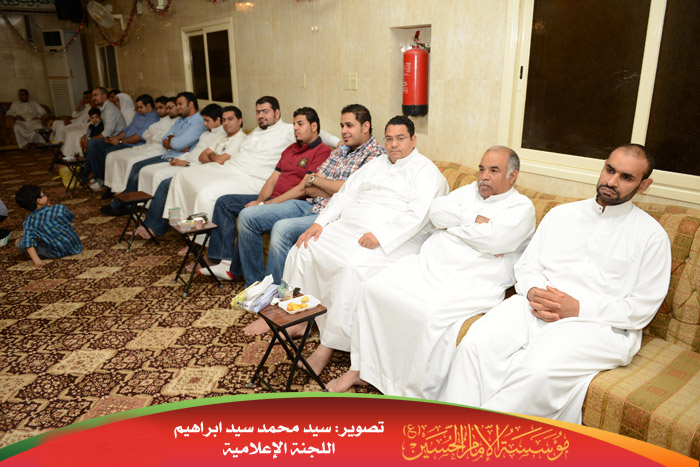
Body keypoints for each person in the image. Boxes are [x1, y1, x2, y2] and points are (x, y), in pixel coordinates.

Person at [440, 144, 672, 424]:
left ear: (644, 185)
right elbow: (527, 266)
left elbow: (640, 309)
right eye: (609, 170)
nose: (611, 181)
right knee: (475, 345)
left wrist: (577, 308)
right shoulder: (562, 215)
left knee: (536, 371)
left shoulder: (651, 237)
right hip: (534, 306)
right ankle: (450, 428)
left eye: (626, 177)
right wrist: (534, 291)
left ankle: (479, 437)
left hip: (598, 325)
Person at [328, 146, 536, 396]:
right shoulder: (469, 191)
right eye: (481, 169)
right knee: (374, 288)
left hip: (470, 280)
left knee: (427, 315)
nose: (484, 176)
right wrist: (473, 221)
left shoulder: (521, 207)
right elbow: (437, 213)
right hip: (427, 265)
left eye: (493, 171)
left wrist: (454, 226)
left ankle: (409, 390)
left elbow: (495, 239)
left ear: (512, 176)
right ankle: (362, 368)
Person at [282, 115, 449, 375]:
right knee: (304, 247)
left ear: (413, 140)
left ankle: (328, 345)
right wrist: (320, 223)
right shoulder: (376, 163)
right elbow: (345, 194)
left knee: (352, 267)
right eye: (389, 139)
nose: (394, 144)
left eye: (400, 138)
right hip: (349, 228)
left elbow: (417, 216)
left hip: (395, 239)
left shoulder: (426, 171)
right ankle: (300, 318)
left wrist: (380, 235)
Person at [240, 104, 385, 337]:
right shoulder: (339, 151)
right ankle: (258, 290)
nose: (344, 131)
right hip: (308, 203)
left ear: (366, 126)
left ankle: (273, 304)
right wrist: (324, 186)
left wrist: (321, 184)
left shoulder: (376, 155)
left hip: (331, 215)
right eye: (342, 125)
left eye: (349, 125)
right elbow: (309, 185)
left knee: (282, 229)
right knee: (248, 216)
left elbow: (349, 191)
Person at [199, 107, 332, 281]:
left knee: (249, 215)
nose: (295, 128)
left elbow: (303, 188)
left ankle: (253, 281)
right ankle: (227, 262)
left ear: (314, 126)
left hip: (291, 202)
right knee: (224, 202)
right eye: (294, 124)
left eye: (300, 124)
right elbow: (273, 178)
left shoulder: (322, 151)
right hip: (272, 199)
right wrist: (260, 201)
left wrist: (263, 205)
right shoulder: (290, 148)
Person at [163, 96, 340, 220]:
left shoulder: (288, 130)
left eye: (265, 111)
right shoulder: (256, 131)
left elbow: (318, 133)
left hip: (251, 177)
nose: (260, 116)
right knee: (182, 176)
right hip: (230, 168)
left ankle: (200, 239)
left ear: (277, 113)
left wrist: (339, 142)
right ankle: (182, 225)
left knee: (206, 193)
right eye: (258, 112)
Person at [133, 104, 242, 239]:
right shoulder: (222, 137)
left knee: (168, 183)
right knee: (167, 183)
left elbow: (218, 160)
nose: (226, 123)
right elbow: (202, 156)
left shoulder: (240, 139)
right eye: (224, 120)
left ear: (240, 121)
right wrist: (213, 157)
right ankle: (154, 225)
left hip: (212, 174)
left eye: (230, 119)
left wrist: (211, 156)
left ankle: (158, 227)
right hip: (204, 169)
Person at [100, 92, 206, 216]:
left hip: (177, 157)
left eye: (180, 104)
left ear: (191, 104)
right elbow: (165, 138)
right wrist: (172, 141)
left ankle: (121, 204)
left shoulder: (198, 121)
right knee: (136, 166)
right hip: (168, 154)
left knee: (142, 170)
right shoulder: (181, 119)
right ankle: (127, 203)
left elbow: (178, 144)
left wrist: (172, 141)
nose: (178, 108)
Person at [102, 96, 178, 196]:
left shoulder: (176, 121)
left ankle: (125, 192)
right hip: (148, 146)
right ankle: (113, 187)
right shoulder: (164, 120)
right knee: (112, 155)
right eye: (165, 108)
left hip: (159, 150)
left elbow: (163, 138)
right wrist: (157, 135)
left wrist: (155, 135)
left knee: (131, 162)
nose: (160, 111)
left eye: (163, 108)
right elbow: (146, 134)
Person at [85, 94, 159, 190]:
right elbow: (127, 129)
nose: (138, 110)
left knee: (109, 151)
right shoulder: (138, 115)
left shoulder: (153, 118)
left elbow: (139, 137)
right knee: (93, 144)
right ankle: (99, 177)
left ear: (148, 105)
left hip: (133, 145)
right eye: (138, 107)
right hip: (124, 141)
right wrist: (115, 138)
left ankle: (106, 181)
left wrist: (120, 141)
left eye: (140, 107)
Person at [14, 184, 82, 267]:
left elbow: (28, 242)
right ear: (39, 201)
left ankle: (35, 255)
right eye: (43, 194)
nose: (46, 196)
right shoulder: (59, 208)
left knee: (18, 242)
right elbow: (70, 218)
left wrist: (37, 261)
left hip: (56, 253)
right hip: (76, 246)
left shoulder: (29, 222)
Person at [81, 87, 126, 182]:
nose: (93, 98)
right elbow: (99, 127)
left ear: (104, 95)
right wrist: (86, 137)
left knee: (92, 144)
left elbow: (107, 133)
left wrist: (89, 139)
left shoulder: (110, 109)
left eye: (96, 95)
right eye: (93, 95)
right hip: (109, 139)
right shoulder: (103, 109)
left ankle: (100, 178)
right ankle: (93, 172)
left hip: (116, 140)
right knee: (85, 140)